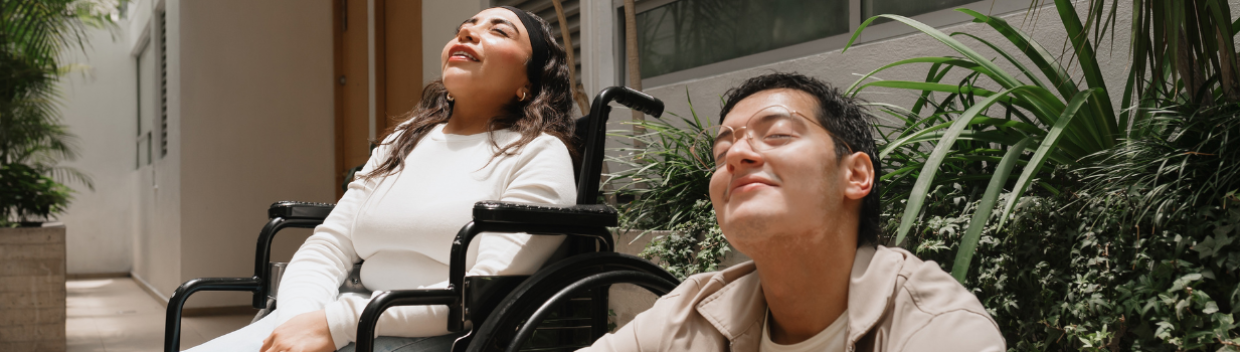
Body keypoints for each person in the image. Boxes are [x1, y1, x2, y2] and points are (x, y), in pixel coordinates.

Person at [186, 6, 577, 352]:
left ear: (528, 81)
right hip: (337, 315)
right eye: (467, 24)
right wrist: (300, 318)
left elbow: (486, 287)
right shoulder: (404, 140)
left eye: (499, 31)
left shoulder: (539, 153)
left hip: (437, 333)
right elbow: (329, 245)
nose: (468, 32)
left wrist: (337, 324)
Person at [580, 73, 1005, 352]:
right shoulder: (691, 314)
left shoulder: (936, 328)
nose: (737, 155)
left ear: (855, 175)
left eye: (778, 134)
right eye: (722, 151)